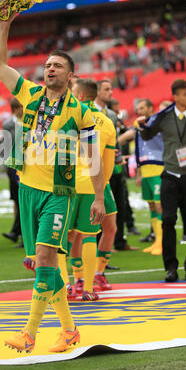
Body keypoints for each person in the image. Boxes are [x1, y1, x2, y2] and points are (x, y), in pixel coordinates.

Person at [0, 11, 105, 354]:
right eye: (47, 65)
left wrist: (98, 197)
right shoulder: (31, 95)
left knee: (44, 259)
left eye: (57, 65)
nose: (50, 69)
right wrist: (5, 24)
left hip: (59, 194)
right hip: (27, 190)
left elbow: (94, 157)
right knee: (49, 267)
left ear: (71, 75)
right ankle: (70, 331)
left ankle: (29, 333)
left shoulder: (81, 112)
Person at [137, 79, 186, 282]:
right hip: (170, 175)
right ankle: (170, 267)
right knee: (168, 220)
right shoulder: (164, 116)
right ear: (176, 96)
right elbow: (147, 135)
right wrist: (142, 126)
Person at [66, 78, 116, 299]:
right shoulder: (106, 122)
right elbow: (108, 163)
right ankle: (87, 288)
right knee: (89, 234)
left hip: (64, 184)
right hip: (91, 185)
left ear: (80, 96)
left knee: (62, 236)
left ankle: (67, 286)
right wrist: (100, 188)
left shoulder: (66, 116)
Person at [95, 79, 139, 251]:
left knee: (119, 205)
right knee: (100, 209)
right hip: (98, 169)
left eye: (111, 88)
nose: (111, 92)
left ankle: (119, 241)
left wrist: (118, 155)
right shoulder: (89, 112)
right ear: (97, 92)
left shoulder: (112, 115)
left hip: (115, 166)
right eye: (106, 89)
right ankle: (100, 246)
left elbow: (113, 142)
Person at [134, 98, 164, 255]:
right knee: (152, 205)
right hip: (145, 170)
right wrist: (138, 174)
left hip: (158, 168)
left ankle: (161, 242)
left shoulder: (157, 122)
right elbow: (140, 148)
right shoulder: (138, 125)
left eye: (142, 108)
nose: (139, 111)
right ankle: (156, 240)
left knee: (159, 206)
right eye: (138, 108)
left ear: (151, 108)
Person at [1, 98, 23, 245]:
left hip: (28, 165)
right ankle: (18, 233)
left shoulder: (31, 121)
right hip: (14, 166)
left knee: (23, 200)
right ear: (15, 109)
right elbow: (7, 146)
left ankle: (17, 233)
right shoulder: (8, 124)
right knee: (16, 199)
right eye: (21, 106)